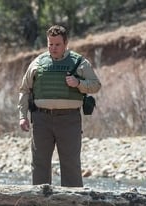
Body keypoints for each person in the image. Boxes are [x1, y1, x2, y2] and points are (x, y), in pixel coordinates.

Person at [17, 25, 101, 187]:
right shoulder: (38, 62)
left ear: (66, 43)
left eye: (57, 45)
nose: (53, 48)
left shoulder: (79, 62)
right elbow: (24, 89)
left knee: (71, 163)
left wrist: (78, 83)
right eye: (50, 44)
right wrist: (22, 116)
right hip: (41, 119)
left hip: (69, 120)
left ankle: (73, 204)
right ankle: (39, 203)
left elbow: (96, 85)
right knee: (40, 162)